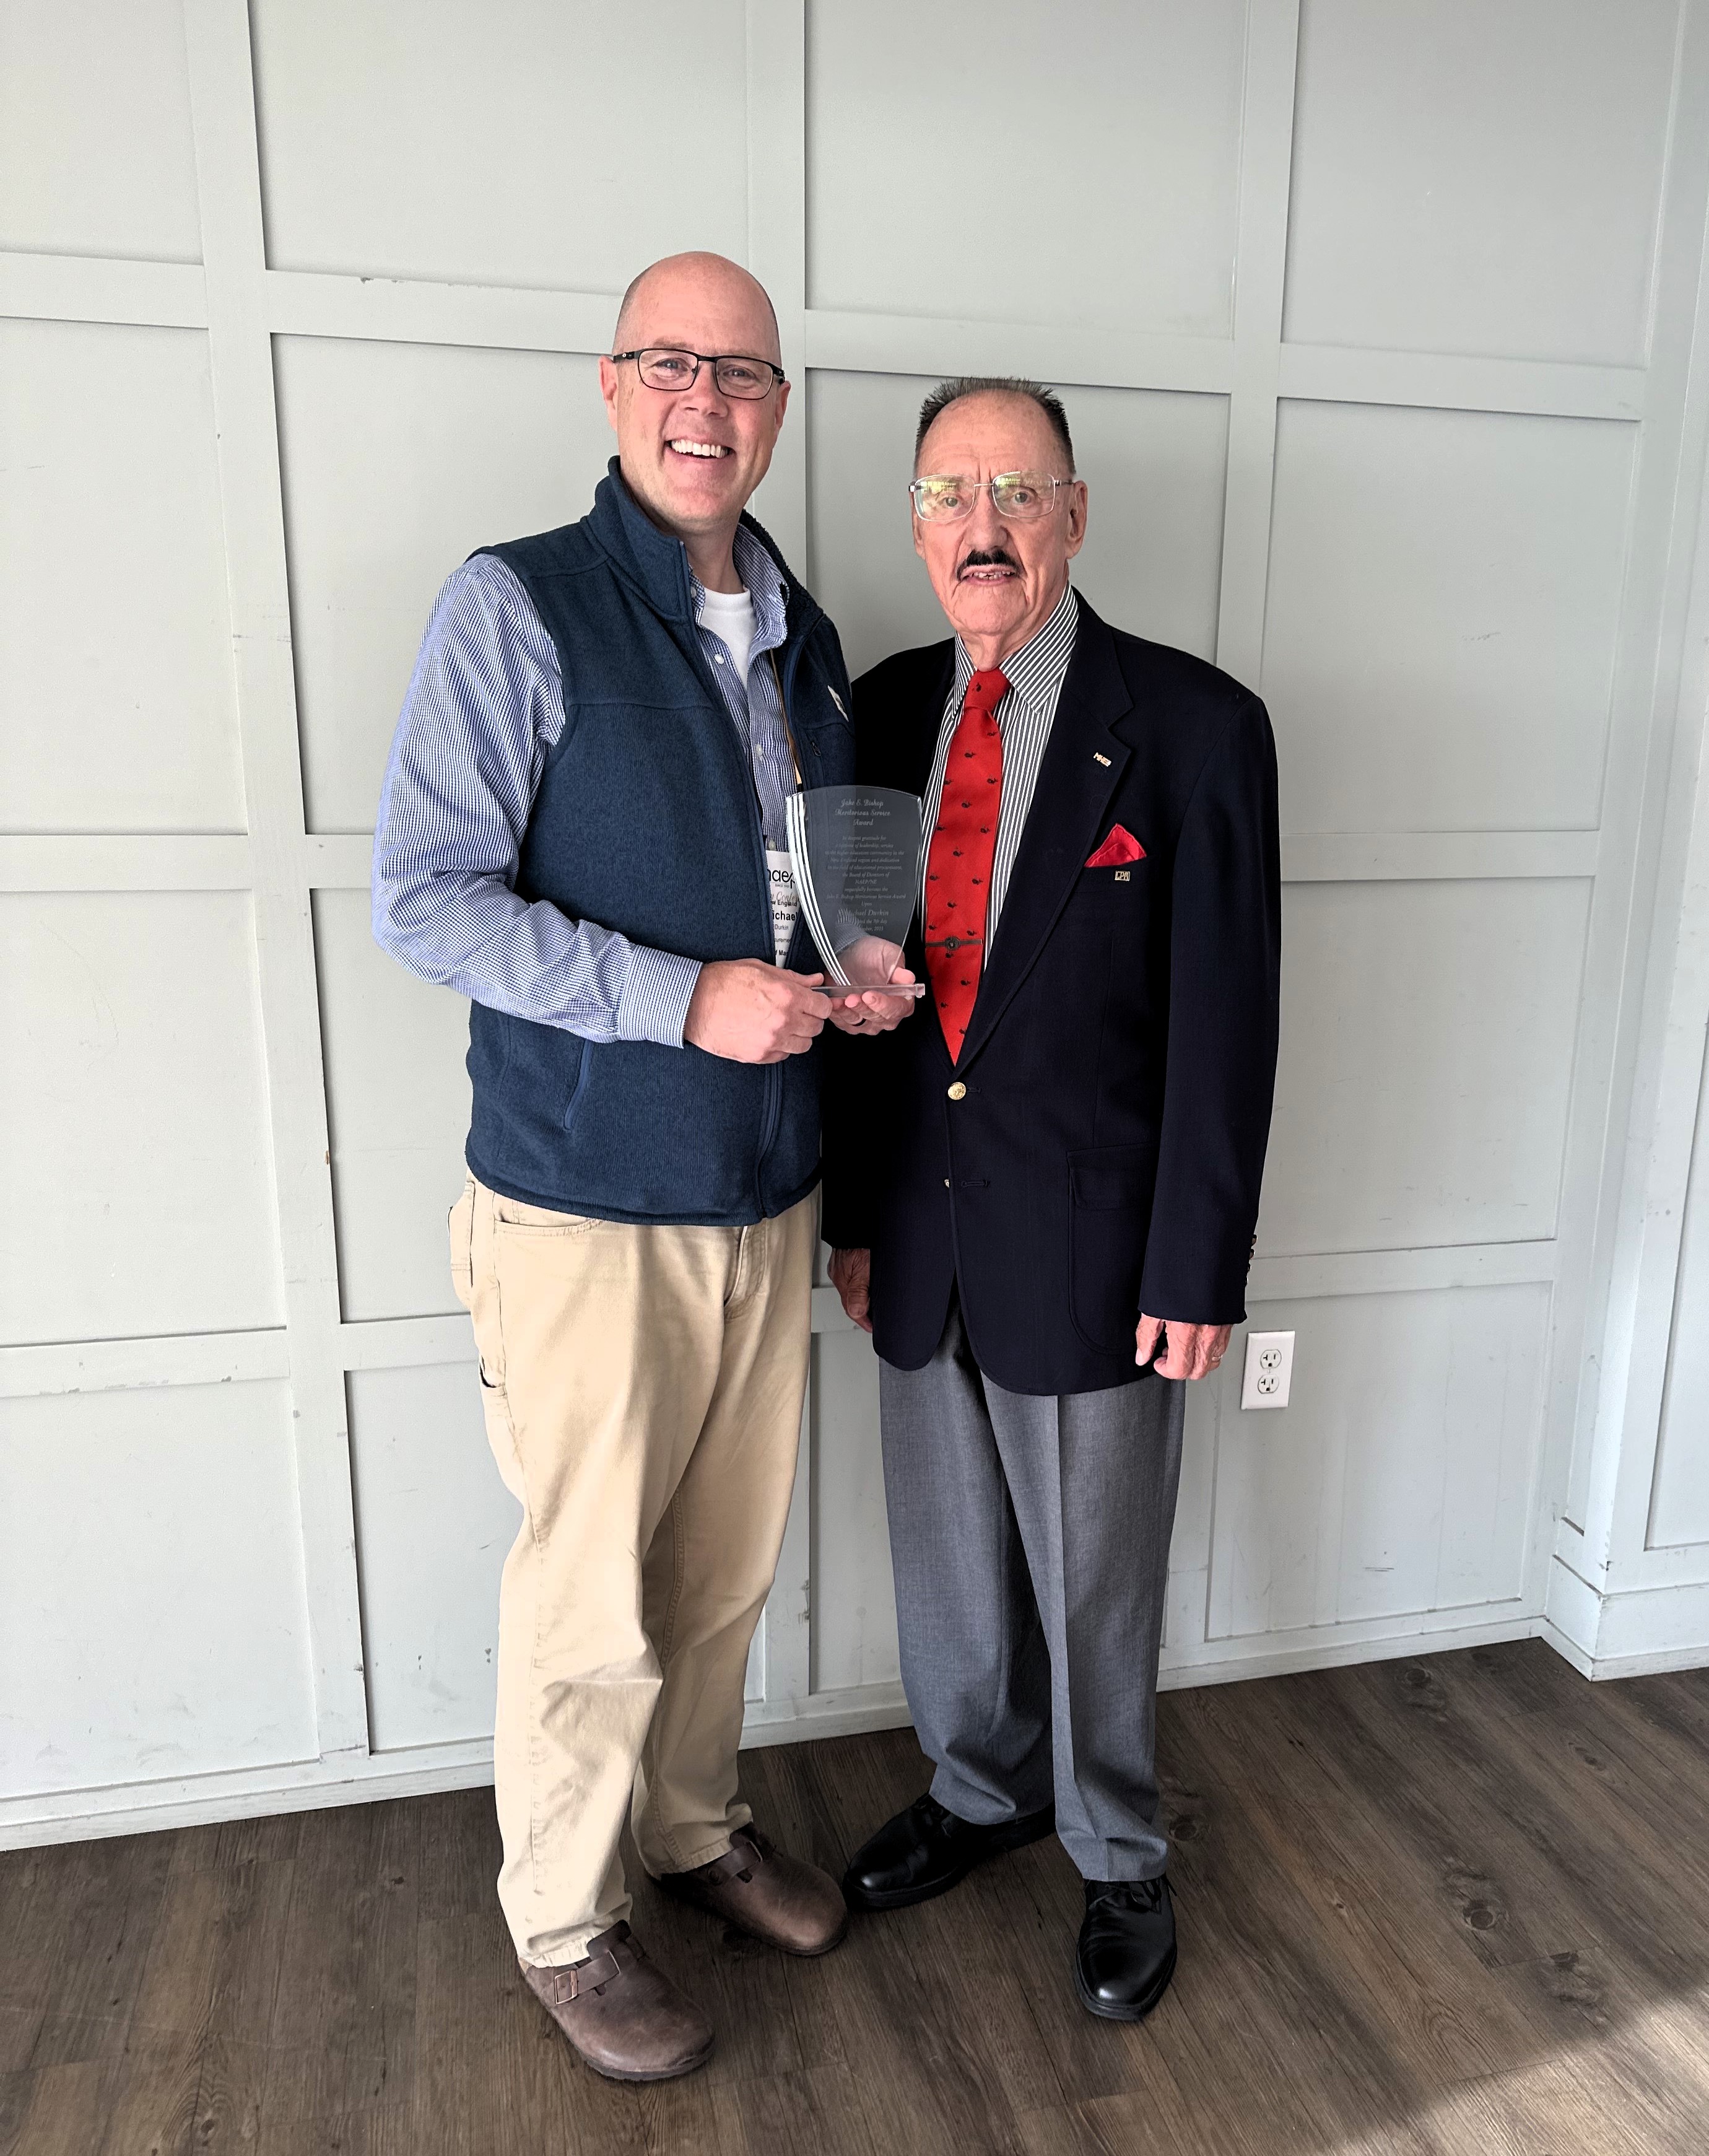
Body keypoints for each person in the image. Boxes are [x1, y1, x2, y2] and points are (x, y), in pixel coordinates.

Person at [373, 251, 912, 2084]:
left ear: (777, 404)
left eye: (745, 370)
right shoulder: (514, 604)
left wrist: (847, 982)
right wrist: (682, 1003)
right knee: (589, 1591)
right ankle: (565, 1912)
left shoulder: (809, 631)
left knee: (723, 1570)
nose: (710, 399)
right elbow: (424, 898)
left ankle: (688, 1829)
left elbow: (800, 892)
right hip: (588, 1201)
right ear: (612, 387)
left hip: (768, 1191)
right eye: (673, 362)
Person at [822, 377, 1280, 2022]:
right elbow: (863, 995)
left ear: (1074, 513)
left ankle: (1115, 1844)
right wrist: (857, 1215)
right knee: (947, 1552)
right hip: (923, 1227)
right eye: (953, 492)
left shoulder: (1196, 726)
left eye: (1018, 490)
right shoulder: (873, 713)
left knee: (1091, 1571)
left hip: (1101, 1241)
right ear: (920, 522)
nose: (986, 526)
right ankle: (976, 1785)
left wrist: (1200, 1262)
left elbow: (1229, 1021)